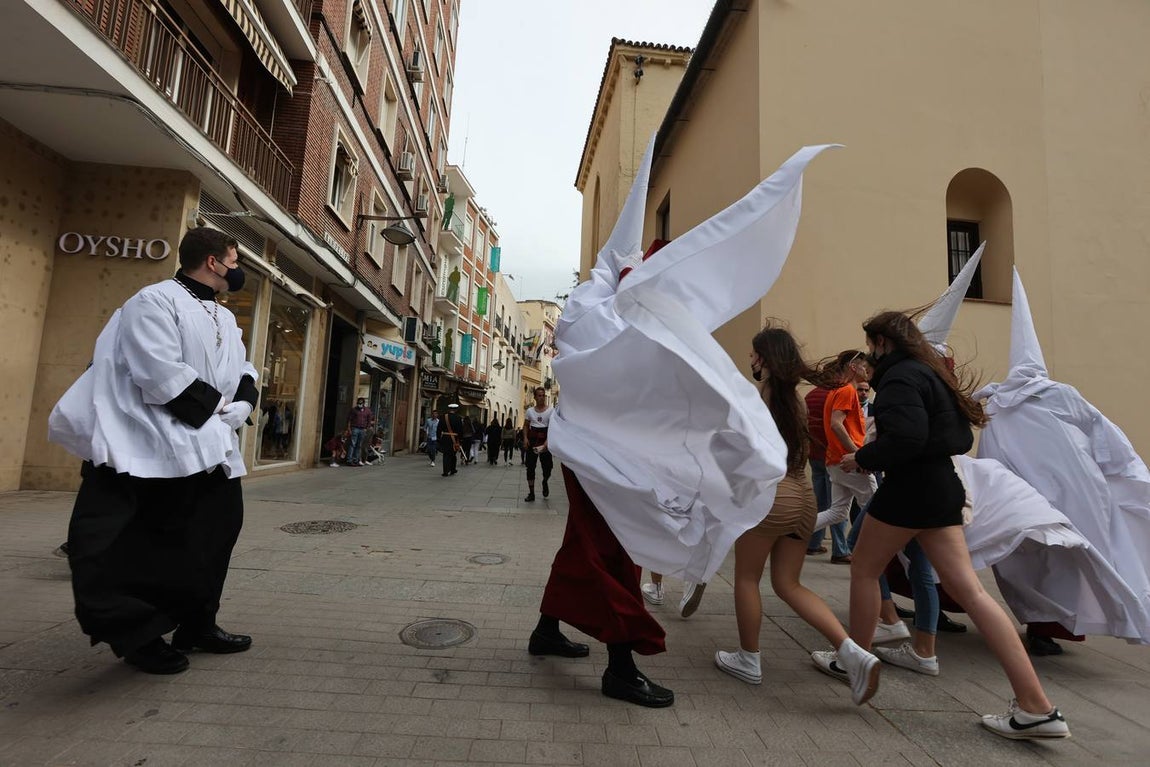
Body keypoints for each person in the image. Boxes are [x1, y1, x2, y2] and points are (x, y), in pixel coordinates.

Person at [816, 309, 1069, 739]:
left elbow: (907, 438)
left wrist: (863, 457)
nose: (869, 357)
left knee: (863, 567)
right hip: (942, 488)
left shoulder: (898, 379)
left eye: (871, 346)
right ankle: (1036, 707)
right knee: (971, 591)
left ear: (882, 343)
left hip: (910, 490)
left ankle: (853, 661)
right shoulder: (931, 375)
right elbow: (958, 438)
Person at [48, 227, 258, 675]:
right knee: (141, 543)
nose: (238, 270)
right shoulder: (153, 300)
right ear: (213, 262)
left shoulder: (224, 317)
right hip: (153, 442)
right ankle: (140, 636)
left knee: (214, 533)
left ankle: (198, 624)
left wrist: (244, 402)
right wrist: (219, 408)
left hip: (210, 444)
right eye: (235, 260)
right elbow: (157, 370)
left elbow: (242, 367)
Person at [714, 324, 855, 685]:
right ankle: (852, 652)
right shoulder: (794, 398)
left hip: (773, 497)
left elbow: (747, 454)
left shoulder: (763, 399)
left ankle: (748, 658)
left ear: (764, 358)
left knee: (746, 578)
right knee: (788, 584)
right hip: (803, 497)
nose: (749, 359)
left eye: (752, 353)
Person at [522, 387, 553, 502]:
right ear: (535, 397)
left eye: (543, 395)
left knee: (548, 467)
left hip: (545, 440)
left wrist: (547, 442)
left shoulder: (551, 411)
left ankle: (545, 481)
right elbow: (525, 425)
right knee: (530, 467)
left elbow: (553, 428)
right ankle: (531, 493)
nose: (542, 398)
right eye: (539, 395)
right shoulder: (530, 411)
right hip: (532, 440)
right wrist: (525, 438)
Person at [346, 397, 374, 466]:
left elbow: (369, 420)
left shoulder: (367, 411)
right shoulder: (354, 410)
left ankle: (356, 460)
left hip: (362, 429)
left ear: (363, 403)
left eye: (361, 403)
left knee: (359, 445)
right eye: (358, 403)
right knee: (352, 444)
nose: (359, 404)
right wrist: (349, 428)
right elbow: (349, 419)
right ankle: (349, 460)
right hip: (355, 428)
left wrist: (366, 428)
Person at [438, 404, 462, 477]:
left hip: (445, 438)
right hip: (454, 439)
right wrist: (460, 439)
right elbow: (460, 430)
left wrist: (438, 438)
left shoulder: (443, 417)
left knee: (446, 455)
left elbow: (439, 428)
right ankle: (452, 469)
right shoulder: (458, 418)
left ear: (449, 409)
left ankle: (445, 471)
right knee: (453, 454)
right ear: (456, 410)